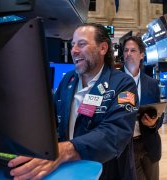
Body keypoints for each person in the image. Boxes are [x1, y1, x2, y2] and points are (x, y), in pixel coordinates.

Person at [8, 23, 139, 180]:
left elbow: (115, 133)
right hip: (68, 171)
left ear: (103, 48)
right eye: (72, 45)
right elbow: (49, 120)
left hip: (105, 172)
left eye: (82, 44)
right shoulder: (68, 80)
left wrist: (66, 150)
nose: (74, 50)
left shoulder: (123, 83)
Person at [122, 36, 162, 180]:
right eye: (126, 50)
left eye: (133, 50)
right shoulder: (114, 80)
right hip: (125, 146)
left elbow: (159, 115)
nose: (128, 54)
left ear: (141, 55)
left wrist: (153, 124)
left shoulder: (151, 83)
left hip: (149, 143)